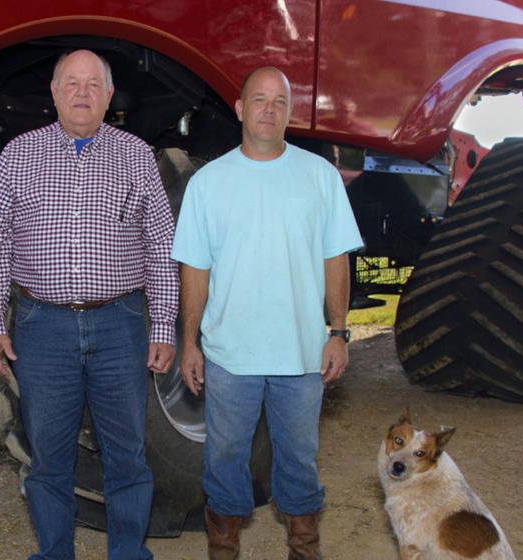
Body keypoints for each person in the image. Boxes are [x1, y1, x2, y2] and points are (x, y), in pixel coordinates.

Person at [0, 50, 179, 560]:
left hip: (121, 324)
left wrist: (164, 327)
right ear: (54, 92)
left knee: (127, 455)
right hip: (43, 328)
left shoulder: (135, 155)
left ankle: (129, 552)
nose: (82, 93)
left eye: (94, 84)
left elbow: (160, 244)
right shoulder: (19, 155)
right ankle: (54, 552)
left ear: (110, 96)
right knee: (48, 459)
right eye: (72, 83)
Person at [171, 67, 362, 560]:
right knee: (225, 459)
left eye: (280, 101)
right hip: (229, 354)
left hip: (300, 355)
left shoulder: (318, 176)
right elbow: (195, 271)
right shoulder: (209, 183)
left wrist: (338, 332)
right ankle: (224, 550)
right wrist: (189, 343)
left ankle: (303, 548)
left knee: (299, 460)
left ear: (290, 112)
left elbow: (335, 258)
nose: (269, 110)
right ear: (239, 109)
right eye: (259, 100)